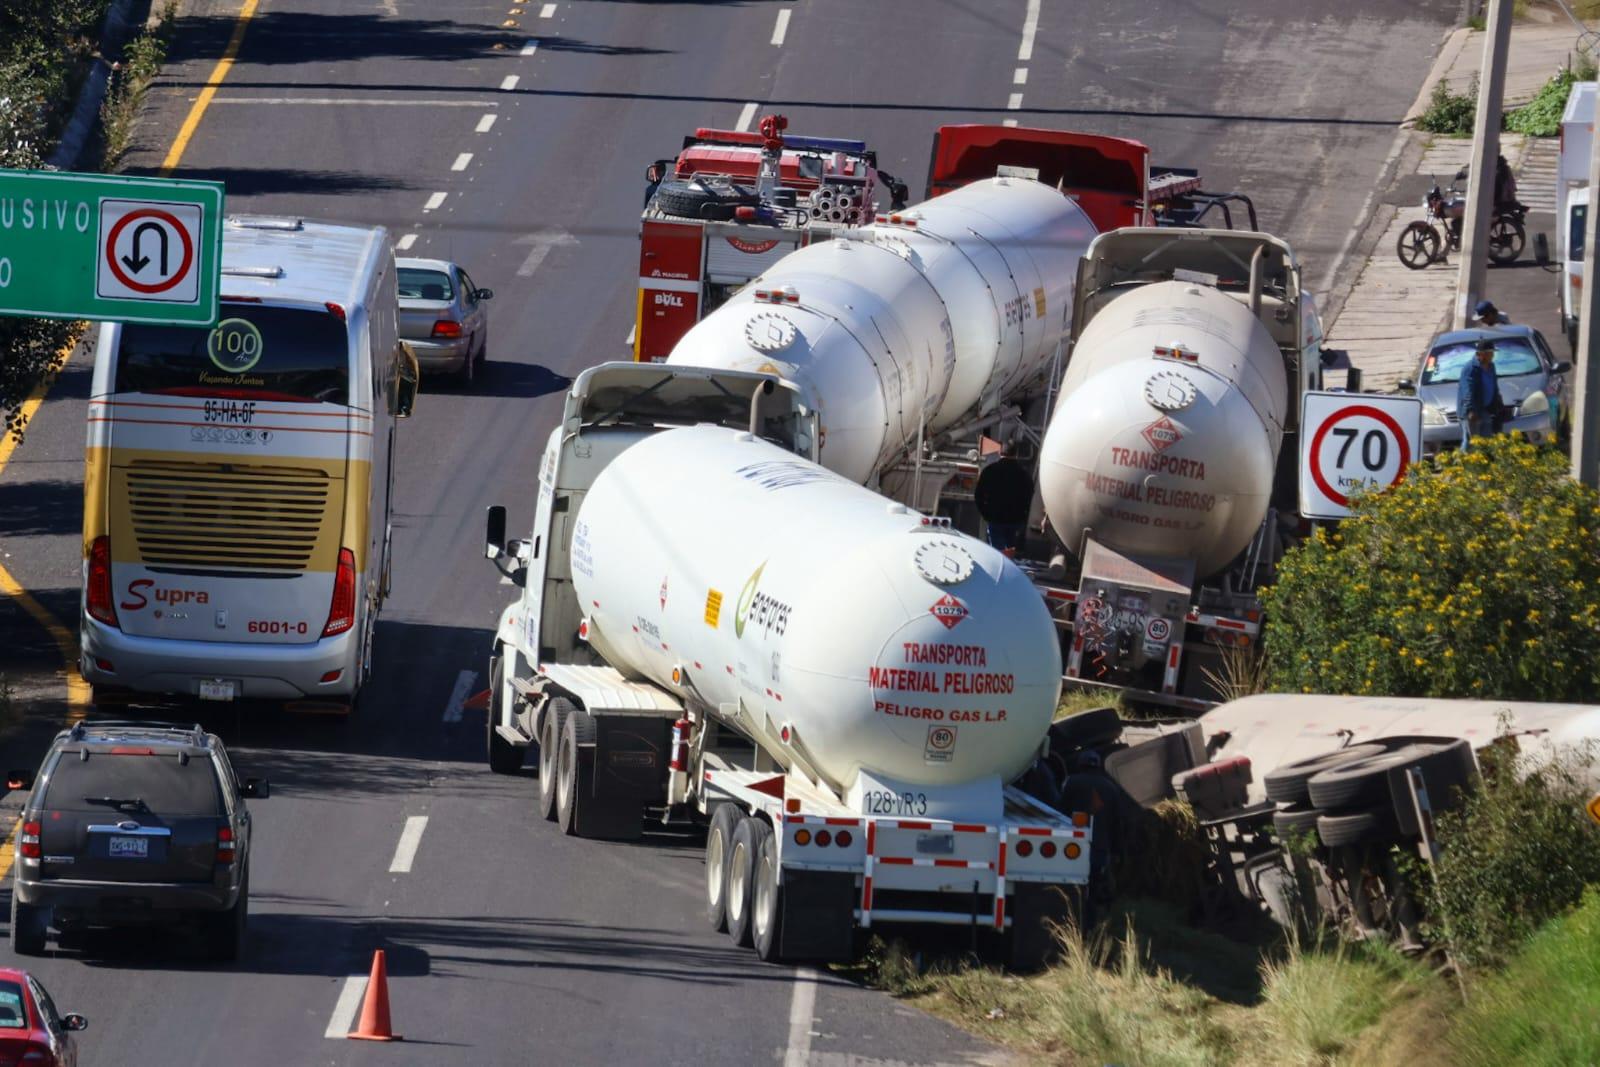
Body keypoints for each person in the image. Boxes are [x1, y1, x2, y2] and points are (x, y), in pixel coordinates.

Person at [973, 443, 1033, 554]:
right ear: (1016, 454)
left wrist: (986, 513)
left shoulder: (989, 471)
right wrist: (1024, 516)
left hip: (995, 518)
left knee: (997, 551)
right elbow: (1029, 498)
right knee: (1011, 551)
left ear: (1000, 453)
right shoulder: (1024, 474)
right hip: (1015, 519)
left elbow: (978, 495)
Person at [1457, 339, 1501, 449]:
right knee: (1470, 442)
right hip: (1472, 412)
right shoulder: (1471, 368)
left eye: (1492, 353)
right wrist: (1471, 410)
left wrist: (1499, 402)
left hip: (1484, 409)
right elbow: (1467, 390)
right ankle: (1461, 464)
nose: (1492, 356)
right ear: (1481, 354)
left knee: (1487, 440)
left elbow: (1494, 386)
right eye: (1490, 353)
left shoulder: (1491, 366)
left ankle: (1484, 463)